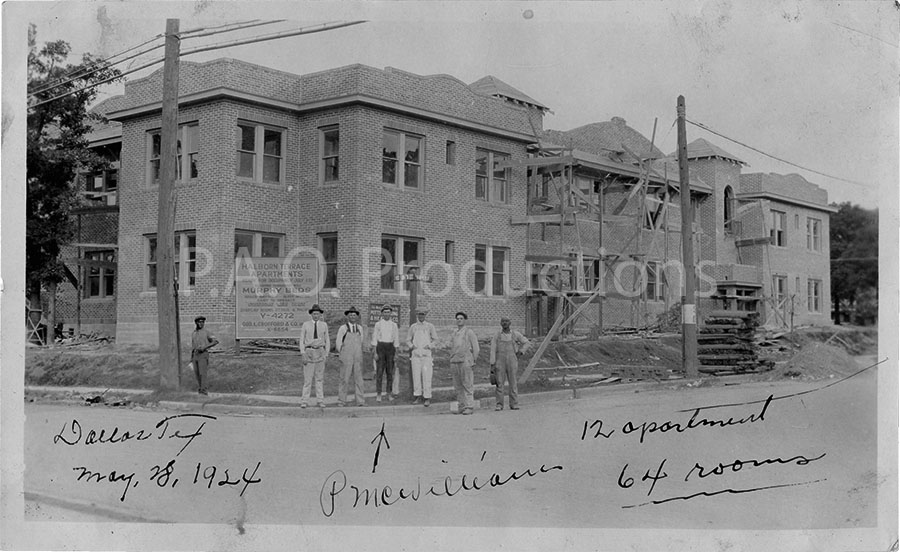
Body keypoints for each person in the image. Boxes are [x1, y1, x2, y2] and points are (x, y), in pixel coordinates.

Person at [489, 317, 530, 411]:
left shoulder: (515, 334)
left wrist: (521, 352)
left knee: (513, 382)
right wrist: (492, 363)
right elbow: (492, 350)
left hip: (512, 361)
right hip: (500, 361)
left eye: (506, 321)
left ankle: (514, 404)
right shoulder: (497, 335)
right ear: (500, 323)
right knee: (499, 383)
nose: (505, 323)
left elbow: (526, 343)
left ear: (510, 323)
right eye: (503, 321)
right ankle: (499, 404)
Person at [334, 306, 367, 407]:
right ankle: (341, 401)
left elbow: (361, 342)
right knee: (344, 378)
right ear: (348, 316)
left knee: (359, 379)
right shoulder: (343, 328)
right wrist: (343, 354)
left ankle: (360, 401)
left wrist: (358, 353)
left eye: (354, 315)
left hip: (357, 356)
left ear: (357, 317)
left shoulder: (360, 328)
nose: (352, 316)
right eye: (351, 315)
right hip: (346, 356)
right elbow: (338, 343)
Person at [299, 304, 330, 408]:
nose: (316, 315)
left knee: (319, 378)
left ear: (320, 315)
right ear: (311, 314)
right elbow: (302, 340)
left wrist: (326, 354)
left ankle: (320, 400)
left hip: (320, 352)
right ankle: (304, 401)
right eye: (314, 314)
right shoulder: (306, 325)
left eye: (318, 314)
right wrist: (303, 353)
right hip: (309, 351)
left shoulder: (324, 325)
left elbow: (327, 340)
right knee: (308, 379)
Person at [449, 311, 479, 415]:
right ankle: (461, 406)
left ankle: (469, 406)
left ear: (465, 320)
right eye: (457, 318)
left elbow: (476, 348)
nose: (459, 320)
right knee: (458, 385)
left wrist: (473, 360)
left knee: (467, 384)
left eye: (461, 318)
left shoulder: (469, 332)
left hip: (466, 361)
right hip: (455, 361)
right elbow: (452, 347)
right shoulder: (454, 333)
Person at [407, 307, 438, 407]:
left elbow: (435, 339)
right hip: (416, 355)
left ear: (425, 315)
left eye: (423, 314)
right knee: (416, 376)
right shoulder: (413, 327)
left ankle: (427, 397)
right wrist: (412, 346)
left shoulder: (430, 326)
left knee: (426, 376)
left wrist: (429, 346)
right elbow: (408, 339)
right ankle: (417, 396)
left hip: (426, 355)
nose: (421, 316)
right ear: (417, 315)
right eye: (419, 314)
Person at [371, 304, 399, 402]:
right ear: (382, 313)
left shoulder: (394, 325)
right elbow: (374, 338)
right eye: (385, 312)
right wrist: (375, 352)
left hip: (390, 348)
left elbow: (396, 339)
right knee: (379, 372)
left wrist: (396, 353)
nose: (387, 314)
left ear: (391, 313)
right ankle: (379, 394)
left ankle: (389, 393)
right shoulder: (378, 324)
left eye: (388, 312)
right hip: (381, 347)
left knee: (390, 372)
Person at [191, 316, 219, 395]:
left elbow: (215, 341)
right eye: (199, 322)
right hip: (195, 355)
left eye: (202, 322)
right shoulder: (194, 333)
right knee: (197, 373)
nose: (201, 323)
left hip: (203, 354)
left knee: (202, 373)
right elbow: (193, 346)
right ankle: (200, 389)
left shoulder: (206, 332)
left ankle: (204, 390)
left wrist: (205, 347)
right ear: (196, 323)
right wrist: (191, 358)